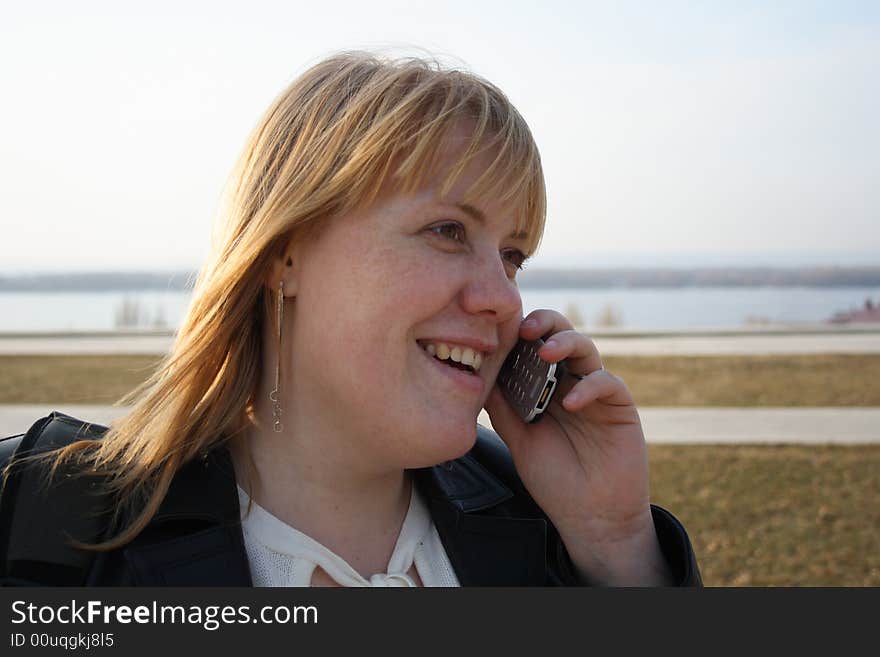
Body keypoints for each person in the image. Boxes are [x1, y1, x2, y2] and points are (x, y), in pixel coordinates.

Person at [0, 51, 701, 587]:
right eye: (448, 231)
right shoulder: (41, 519)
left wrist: (614, 546)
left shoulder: (541, 522)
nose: (504, 297)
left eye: (512, 255)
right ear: (284, 253)